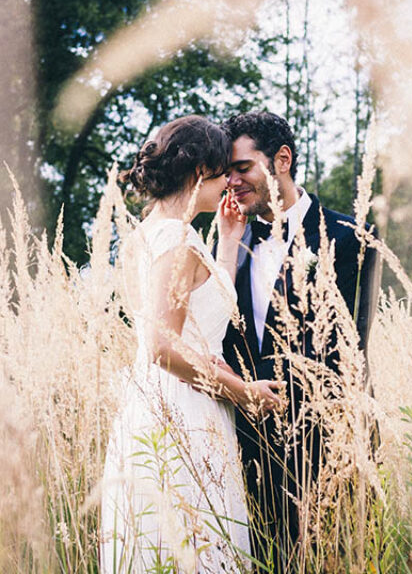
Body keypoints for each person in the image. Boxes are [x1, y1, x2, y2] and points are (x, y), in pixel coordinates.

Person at [99, 115, 285, 573]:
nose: (229, 183)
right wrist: (244, 394)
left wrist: (227, 242)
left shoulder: (155, 233)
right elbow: (162, 344)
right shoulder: (179, 241)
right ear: (200, 171)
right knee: (194, 544)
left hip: (164, 401)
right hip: (184, 409)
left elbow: (199, 321)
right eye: (224, 172)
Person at [220, 111, 381, 572]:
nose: (231, 181)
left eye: (242, 168)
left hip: (327, 448)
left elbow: (349, 349)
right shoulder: (229, 244)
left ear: (282, 160)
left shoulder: (350, 239)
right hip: (249, 453)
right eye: (225, 172)